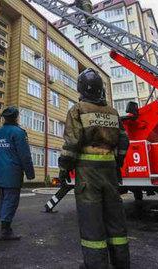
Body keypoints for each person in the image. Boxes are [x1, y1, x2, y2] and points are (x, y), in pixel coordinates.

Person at [59, 68, 130, 269]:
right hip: (109, 171)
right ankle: (121, 263)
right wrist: (118, 165)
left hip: (88, 173)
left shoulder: (78, 110)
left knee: (92, 221)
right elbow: (124, 141)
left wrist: (64, 169)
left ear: (81, 88)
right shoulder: (113, 112)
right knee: (115, 219)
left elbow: (72, 144)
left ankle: (96, 265)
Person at [0, 107, 35, 241]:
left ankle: (5, 227)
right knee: (11, 201)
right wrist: (30, 173)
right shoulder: (19, 133)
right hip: (13, 173)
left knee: (4, 200)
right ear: (16, 117)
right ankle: (5, 231)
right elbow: (25, 155)